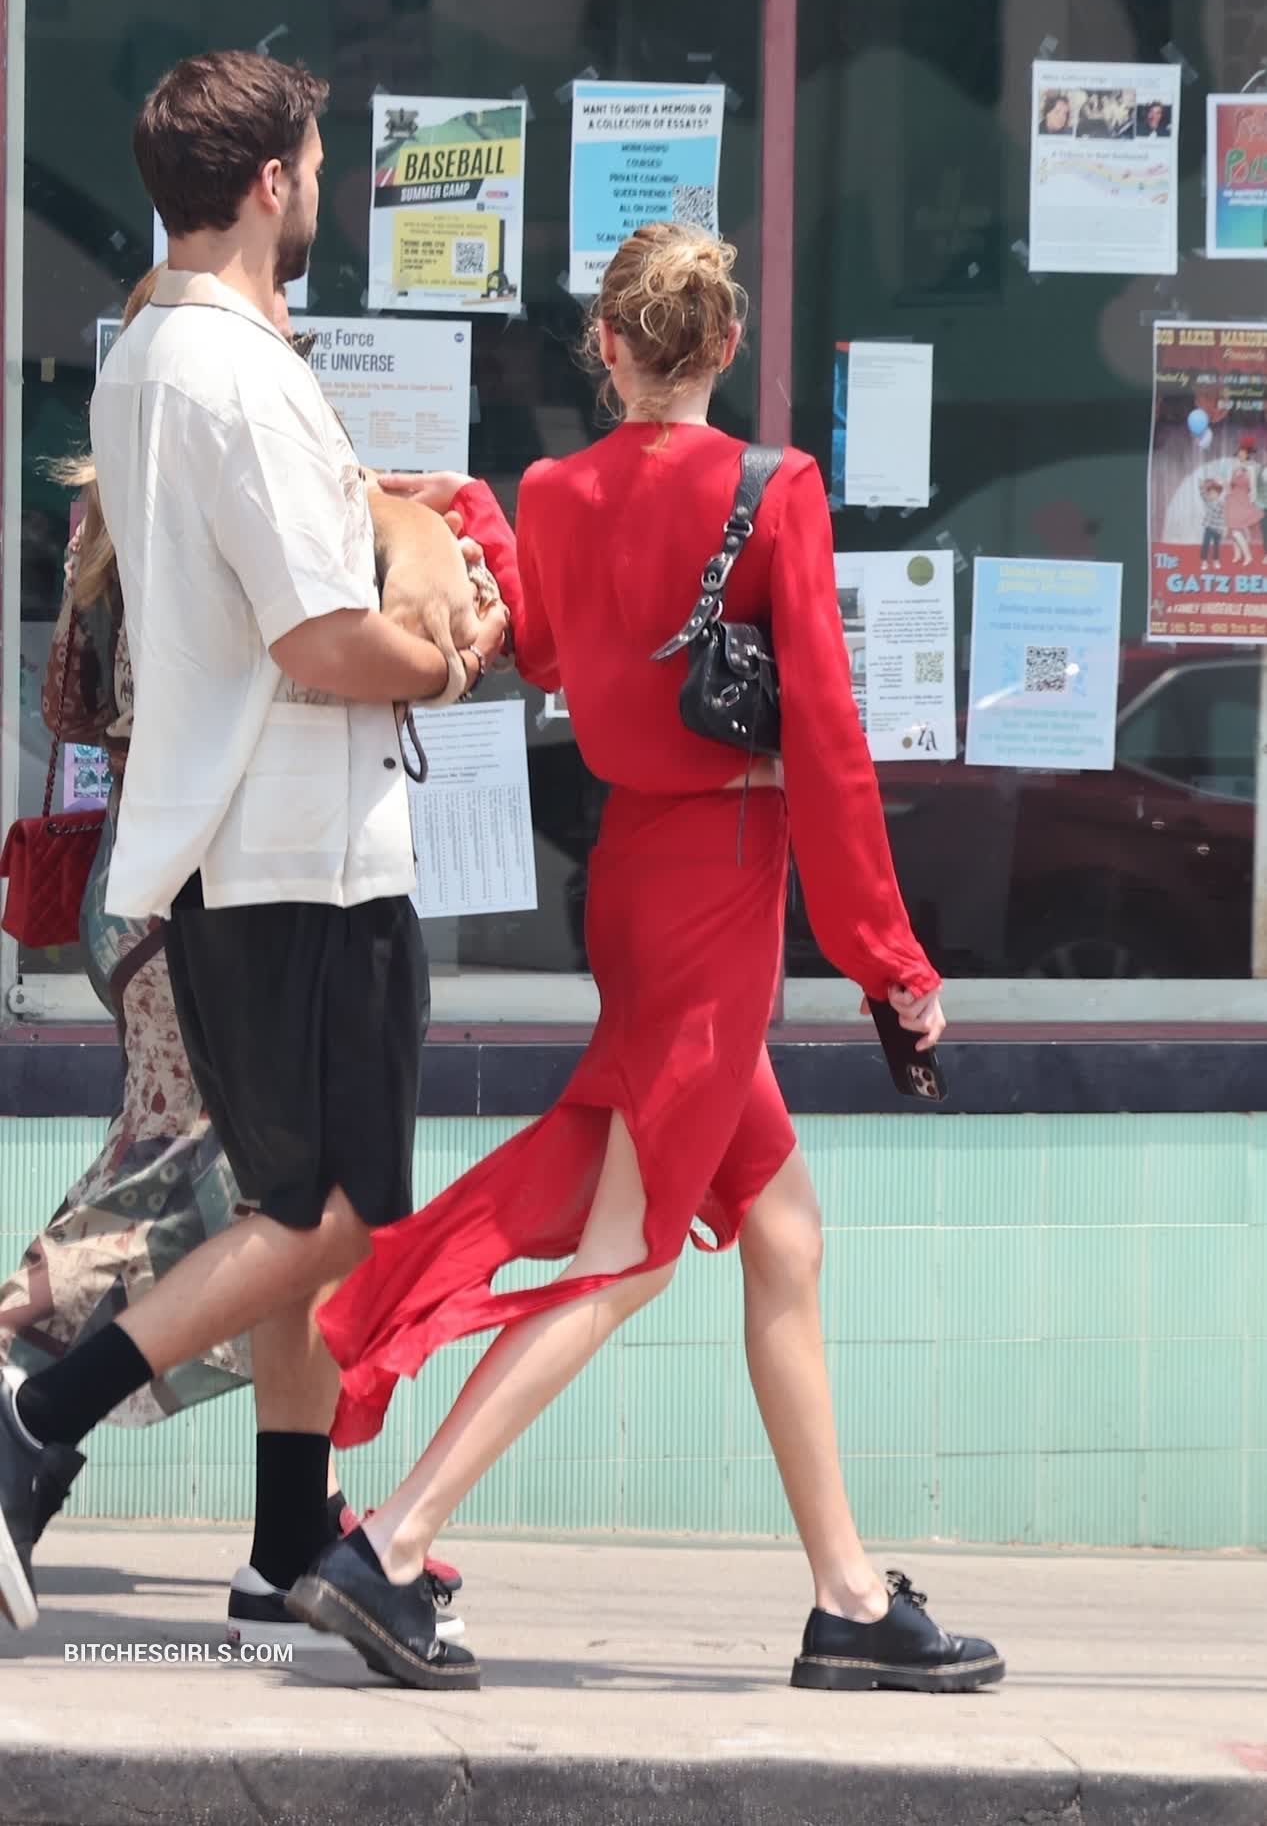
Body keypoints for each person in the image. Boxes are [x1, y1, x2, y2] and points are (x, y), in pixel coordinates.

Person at [289, 224, 1004, 1698]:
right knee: (624, 1257)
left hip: (628, 883)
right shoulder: (774, 489)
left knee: (783, 1237)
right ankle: (394, 1546)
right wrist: (888, 960)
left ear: (605, 347)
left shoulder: (556, 492)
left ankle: (847, 1597)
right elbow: (824, 736)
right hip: (719, 889)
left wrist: (485, 522)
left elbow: (550, 652)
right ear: (725, 345)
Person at [0, 48, 506, 1642]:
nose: (324, 191)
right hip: (298, 853)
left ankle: (289, 1540)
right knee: (330, 1212)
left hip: (225, 848)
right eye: (318, 166)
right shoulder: (238, 372)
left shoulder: (151, 354)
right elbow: (320, 636)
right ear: (273, 182)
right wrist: (450, 662)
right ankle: (30, 1424)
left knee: (287, 1206)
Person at [1225, 438, 1264, 568]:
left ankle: (1248, 556)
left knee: (1236, 531)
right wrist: (1226, 487)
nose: (1240, 454)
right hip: (1232, 500)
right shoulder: (1234, 467)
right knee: (1233, 530)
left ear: (1248, 454)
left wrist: (1253, 502)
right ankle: (1237, 555)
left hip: (1243, 501)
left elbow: (1253, 488)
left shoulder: (1251, 468)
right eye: (1239, 452)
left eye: (1243, 452)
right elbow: (1229, 485)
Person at [1199, 478, 1226, 570]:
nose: (1212, 495)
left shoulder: (1222, 503)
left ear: (1218, 494)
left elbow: (1223, 517)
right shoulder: (1208, 501)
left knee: (1216, 546)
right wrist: (1201, 485)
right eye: (1210, 493)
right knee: (1205, 544)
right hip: (1209, 527)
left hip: (1218, 528)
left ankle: (1216, 560)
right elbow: (1202, 494)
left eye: (1214, 493)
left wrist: (1223, 529)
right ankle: (1204, 561)